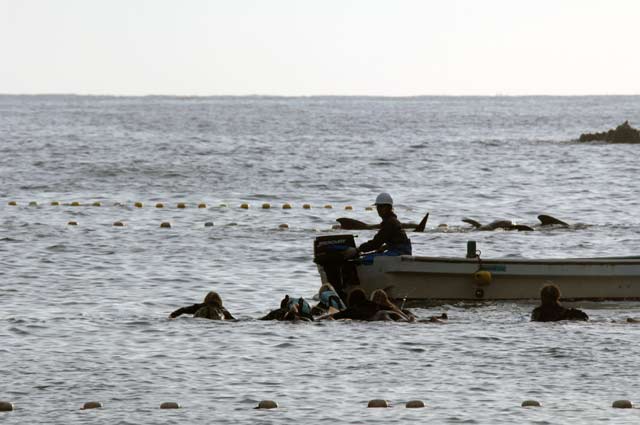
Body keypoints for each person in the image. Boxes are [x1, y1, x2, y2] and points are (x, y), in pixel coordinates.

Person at [169, 291, 235, 320]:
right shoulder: (222, 309)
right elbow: (232, 320)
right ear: (220, 301)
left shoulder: (200, 307)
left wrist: (172, 315)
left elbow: (183, 310)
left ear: (205, 300)